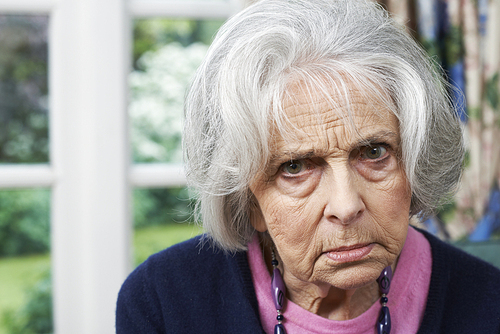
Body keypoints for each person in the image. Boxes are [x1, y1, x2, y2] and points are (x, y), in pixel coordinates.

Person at [116, 0, 500, 333]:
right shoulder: (163, 300)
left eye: (373, 153)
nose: (346, 206)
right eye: (295, 167)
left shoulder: (488, 303)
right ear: (248, 200)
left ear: (413, 163)